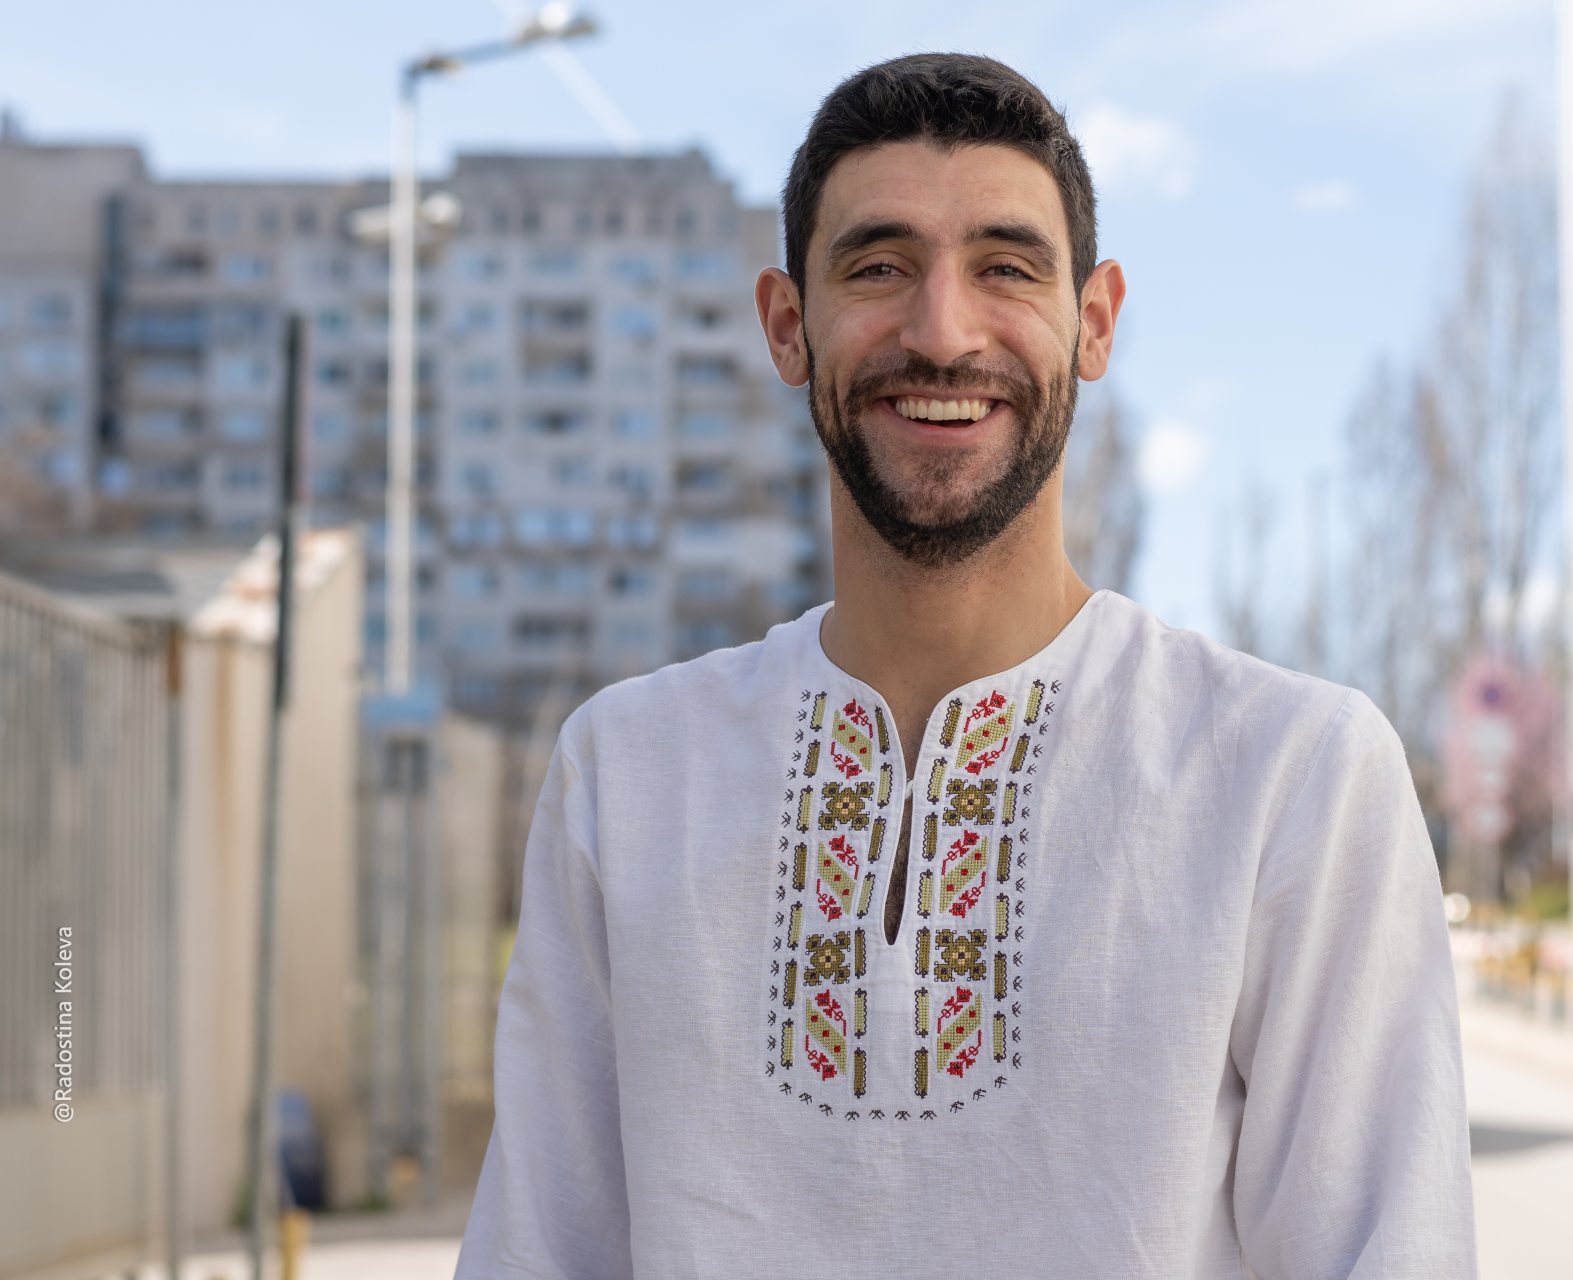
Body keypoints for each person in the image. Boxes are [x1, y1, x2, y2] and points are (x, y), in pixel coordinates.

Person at [453, 52, 1477, 1280]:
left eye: (1007, 267)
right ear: (786, 325)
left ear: (1094, 321)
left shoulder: (1291, 775)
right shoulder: (625, 777)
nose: (942, 332)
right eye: (878, 267)